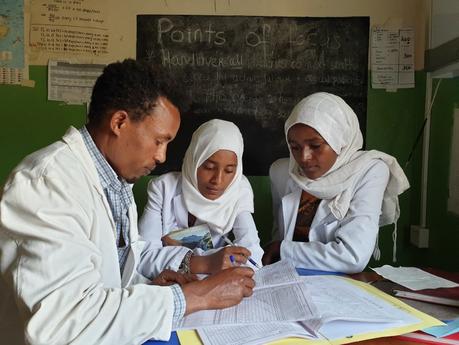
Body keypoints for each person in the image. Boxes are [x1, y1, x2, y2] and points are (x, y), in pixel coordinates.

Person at [0, 59, 254, 345]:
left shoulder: (114, 181)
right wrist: (194, 297)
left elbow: (104, 278)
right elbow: (65, 323)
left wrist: (149, 287)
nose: (162, 156)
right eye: (159, 140)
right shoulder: (46, 184)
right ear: (119, 122)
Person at [262, 92, 410, 273]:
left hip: (337, 284)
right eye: (294, 146)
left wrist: (283, 249)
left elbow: (353, 256)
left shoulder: (369, 170)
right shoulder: (281, 172)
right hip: (287, 278)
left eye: (315, 145)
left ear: (341, 140)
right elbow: (279, 234)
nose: (304, 157)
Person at [138, 119, 264, 277]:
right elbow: (143, 258)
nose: (217, 180)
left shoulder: (238, 190)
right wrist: (208, 261)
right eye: (209, 167)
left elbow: (253, 256)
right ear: (193, 159)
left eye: (229, 170)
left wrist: (173, 242)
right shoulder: (163, 188)